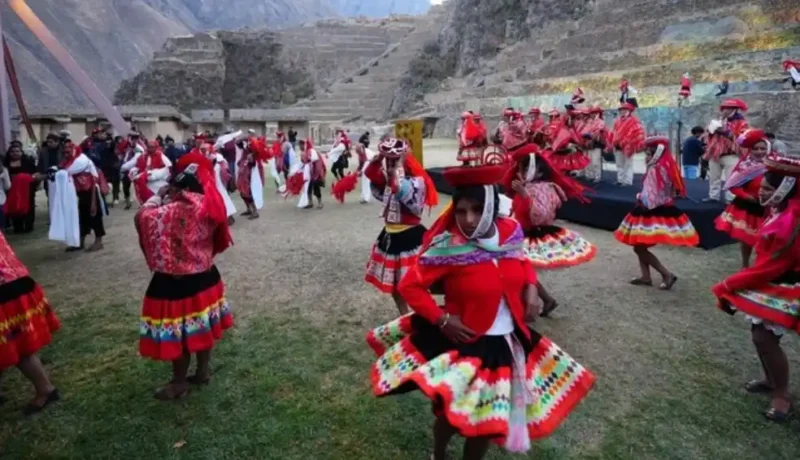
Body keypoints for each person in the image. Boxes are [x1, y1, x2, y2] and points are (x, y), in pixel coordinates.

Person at [366, 157, 594, 460]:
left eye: (476, 209)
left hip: (507, 341)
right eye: (461, 211)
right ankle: (439, 453)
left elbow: (521, 260)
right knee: (451, 415)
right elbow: (410, 287)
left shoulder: (511, 231)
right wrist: (442, 319)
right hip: (465, 342)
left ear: (490, 206)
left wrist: (529, 288)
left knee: (486, 423)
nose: (469, 219)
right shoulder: (448, 247)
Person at [712, 152, 800, 422]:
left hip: (788, 280)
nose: (761, 192)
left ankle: (782, 395)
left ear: (784, 189)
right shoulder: (779, 209)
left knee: (765, 337)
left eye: (767, 188)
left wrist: (727, 285)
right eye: (762, 187)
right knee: (760, 334)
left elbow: (772, 265)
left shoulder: (791, 221)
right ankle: (771, 381)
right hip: (773, 277)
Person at [136, 156, 233, 400]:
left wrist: (157, 196)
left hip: (176, 282)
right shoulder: (210, 204)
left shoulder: (167, 212)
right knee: (202, 326)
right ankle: (202, 372)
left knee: (178, 333)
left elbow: (142, 218)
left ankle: (179, 383)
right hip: (205, 276)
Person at [504, 143, 596, 316]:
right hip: (520, 233)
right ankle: (544, 301)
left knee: (523, 272)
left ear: (537, 172)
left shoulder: (543, 188)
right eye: (519, 170)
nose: (519, 174)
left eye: (523, 170)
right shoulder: (528, 187)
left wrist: (524, 195)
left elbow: (542, 215)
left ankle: (540, 302)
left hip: (532, 234)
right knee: (523, 272)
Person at [614, 135, 699, 289]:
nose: (645, 156)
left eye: (648, 153)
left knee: (639, 247)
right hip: (660, 207)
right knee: (639, 244)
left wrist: (640, 197)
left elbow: (652, 195)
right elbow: (672, 191)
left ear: (656, 153)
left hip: (650, 210)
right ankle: (646, 277)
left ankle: (666, 274)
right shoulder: (666, 165)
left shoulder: (656, 169)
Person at [364, 138, 438, 314]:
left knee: (414, 284)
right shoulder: (387, 179)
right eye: (387, 159)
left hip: (410, 237)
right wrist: (377, 160)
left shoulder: (417, 182)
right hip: (390, 235)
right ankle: (404, 315)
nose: (390, 162)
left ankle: (424, 314)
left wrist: (395, 173)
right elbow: (372, 177)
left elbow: (404, 194)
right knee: (395, 285)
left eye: (394, 159)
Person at [0, 232, 60, 414]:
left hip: (5, 290)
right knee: (14, 345)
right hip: (14, 280)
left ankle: (45, 390)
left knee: (18, 346)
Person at [715, 129, 769, 268]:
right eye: (755, 149)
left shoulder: (774, 164)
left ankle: (762, 266)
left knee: (767, 239)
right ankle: (745, 265)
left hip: (770, 207)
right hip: (750, 206)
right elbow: (733, 185)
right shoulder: (745, 165)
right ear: (750, 150)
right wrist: (746, 196)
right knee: (747, 239)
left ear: (768, 148)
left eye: (763, 148)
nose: (759, 152)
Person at [58, 139, 107, 252]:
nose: (66, 152)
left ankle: (99, 241)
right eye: (64, 150)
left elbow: (66, 171)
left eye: (68, 150)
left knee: (95, 215)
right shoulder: (69, 160)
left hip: (91, 190)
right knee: (82, 217)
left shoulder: (81, 160)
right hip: (80, 192)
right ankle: (80, 242)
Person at [703, 99, 750, 202]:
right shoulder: (719, 121)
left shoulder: (742, 123)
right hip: (715, 154)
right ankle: (713, 196)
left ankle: (730, 198)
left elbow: (742, 139)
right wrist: (710, 131)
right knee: (714, 177)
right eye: (724, 108)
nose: (725, 110)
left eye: (728, 108)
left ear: (735, 110)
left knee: (731, 178)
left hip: (731, 154)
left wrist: (725, 132)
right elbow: (707, 137)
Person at [122, 139, 172, 205]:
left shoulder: (161, 157)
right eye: (148, 147)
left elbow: (167, 169)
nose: (150, 149)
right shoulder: (143, 156)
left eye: (152, 147)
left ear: (156, 147)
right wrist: (133, 172)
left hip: (158, 185)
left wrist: (150, 175)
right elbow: (137, 166)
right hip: (145, 185)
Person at [608, 102, 645, 186]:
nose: (623, 111)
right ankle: (620, 180)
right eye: (621, 110)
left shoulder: (634, 121)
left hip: (628, 146)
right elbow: (613, 132)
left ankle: (628, 181)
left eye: (625, 109)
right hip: (617, 146)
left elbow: (636, 133)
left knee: (628, 164)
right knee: (619, 164)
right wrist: (612, 142)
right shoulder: (617, 121)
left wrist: (624, 142)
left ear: (629, 111)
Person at [3, 144, 38, 234]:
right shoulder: (5, 163)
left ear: (21, 152)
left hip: (26, 189)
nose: (15, 153)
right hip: (11, 189)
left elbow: (34, 175)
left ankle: (28, 226)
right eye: (12, 151)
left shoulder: (28, 162)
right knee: (14, 207)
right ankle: (17, 227)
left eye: (17, 151)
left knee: (29, 207)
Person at [201, 143, 237, 225]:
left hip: (217, 179)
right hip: (211, 181)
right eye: (202, 150)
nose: (203, 151)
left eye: (204, 149)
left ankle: (229, 217)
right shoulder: (206, 157)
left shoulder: (217, 157)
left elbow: (223, 165)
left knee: (223, 197)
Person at [236, 138, 265, 219]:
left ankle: (255, 211)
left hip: (249, 179)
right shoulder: (245, 152)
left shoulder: (253, 156)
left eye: (248, 145)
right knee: (242, 194)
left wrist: (250, 158)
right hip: (242, 177)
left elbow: (253, 165)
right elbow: (238, 143)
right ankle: (249, 209)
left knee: (248, 194)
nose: (245, 146)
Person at [298, 138, 326, 210]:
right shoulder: (305, 152)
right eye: (300, 145)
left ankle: (320, 202)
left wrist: (316, 175)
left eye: (301, 144)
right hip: (309, 174)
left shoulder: (312, 151)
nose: (300, 146)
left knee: (316, 188)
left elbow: (315, 163)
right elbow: (304, 163)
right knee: (308, 187)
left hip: (315, 173)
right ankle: (310, 202)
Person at [581, 105, 607, 182]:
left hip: (596, 144)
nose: (593, 114)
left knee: (596, 162)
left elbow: (599, 130)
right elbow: (584, 131)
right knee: (589, 161)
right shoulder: (588, 122)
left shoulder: (601, 121)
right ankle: (590, 176)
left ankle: (597, 177)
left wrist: (591, 134)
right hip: (588, 144)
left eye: (595, 112)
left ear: (598, 113)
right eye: (592, 112)